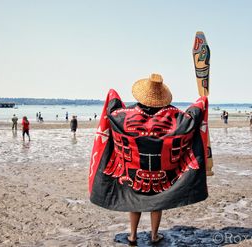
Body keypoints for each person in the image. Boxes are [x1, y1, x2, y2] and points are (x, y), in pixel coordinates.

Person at [88, 74, 209, 245]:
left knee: (134, 201)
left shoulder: (125, 115)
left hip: (133, 171)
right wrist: (201, 102)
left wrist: (113, 95)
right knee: (157, 202)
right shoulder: (173, 115)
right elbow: (191, 119)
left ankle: (133, 235)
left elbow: (112, 110)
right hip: (162, 173)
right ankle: (154, 235)